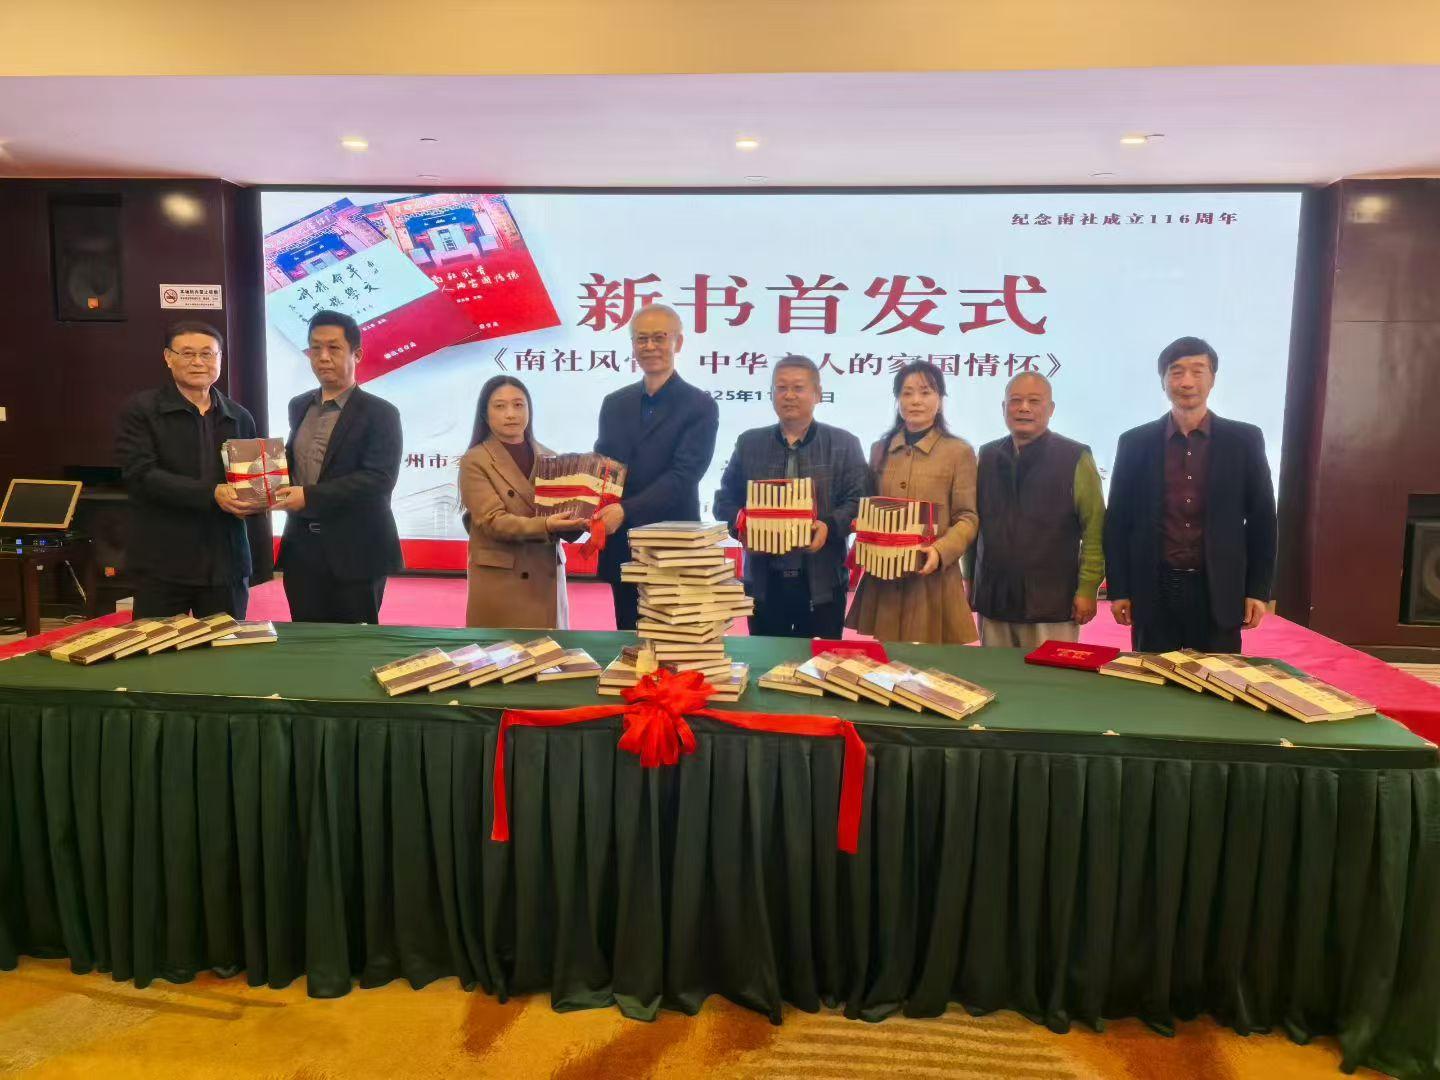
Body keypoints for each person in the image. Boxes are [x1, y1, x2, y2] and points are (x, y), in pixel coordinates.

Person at [1103, 336, 1277, 653]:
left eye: (1198, 371)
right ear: (1163, 381)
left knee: (1216, 679)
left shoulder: (1244, 440)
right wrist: (1120, 589)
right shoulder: (1135, 442)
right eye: (1176, 371)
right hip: (1153, 590)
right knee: (1152, 678)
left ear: (1212, 379)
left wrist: (1258, 590)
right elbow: (1117, 521)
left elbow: (1262, 520)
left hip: (1219, 589)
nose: (1186, 382)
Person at [713, 355, 870, 638]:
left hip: (822, 580)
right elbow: (724, 500)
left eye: (798, 387)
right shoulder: (749, 443)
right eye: (781, 387)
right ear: (772, 394)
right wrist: (742, 525)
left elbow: (858, 501)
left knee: (821, 660)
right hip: (764, 581)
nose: (789, 395)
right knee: (766, 658)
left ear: (818, 394)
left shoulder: (844, 444)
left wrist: (828, 526)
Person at [116, 321, 257, 618]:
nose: (198, 362)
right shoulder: (142, 410)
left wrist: (258, 497)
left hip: (226, 564)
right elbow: (140, 475)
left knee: (225, 646)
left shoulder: (239, 417)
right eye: (188, 353)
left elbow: (250, 479)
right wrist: (212, 493)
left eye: (207, 353)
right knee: (159, 647)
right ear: (168, 357)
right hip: (163, 563)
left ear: (220, 358)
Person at [272, 310, 404, 623]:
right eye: (315, 348)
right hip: (302, 550)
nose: (323, 357)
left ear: (356, 354)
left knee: (355, 642)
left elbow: (378, 480)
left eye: (333, 348)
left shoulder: (381, 413)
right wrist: (261, 480)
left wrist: (308, 496)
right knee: (306, 638)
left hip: (356, 551)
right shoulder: (299, 405)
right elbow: (297, 462)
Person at [593, 303, 719, 630]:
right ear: (633, 345)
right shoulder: (613, 403)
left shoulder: (700, 405)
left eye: (659, 338)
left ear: (678, 343)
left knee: (675, 639)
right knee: (628, 637)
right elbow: (604, 466)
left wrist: (626, 510)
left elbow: (685, 475)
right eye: (641, 339)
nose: (649, 346)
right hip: (622, 543)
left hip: (672, 543)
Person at [846, 360, 980, 644]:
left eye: (925, 392)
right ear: (898, 401)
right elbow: (869, 505)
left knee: (929, 664)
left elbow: (967, 517)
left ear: (940, 400)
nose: (915, 400)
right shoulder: (880, 449)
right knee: (886, 662)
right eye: (907, 393)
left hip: (932, 579)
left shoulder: (959, 452)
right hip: (885, 578)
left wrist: (940, 551)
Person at [973, 372, 1105, 648]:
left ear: (1051, 408)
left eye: (1034, 401)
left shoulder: (1075, 457)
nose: (1024, 408)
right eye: (1015, 401)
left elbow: (1095, 529)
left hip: (1052, 603)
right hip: (994, 598)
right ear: (1004, 407)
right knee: (994, 673)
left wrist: (1088, 587)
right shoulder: (986, 456)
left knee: (1050, 674)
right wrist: (968, 579)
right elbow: (973, 524)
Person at [458, 375, 585, 629]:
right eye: (500, 406)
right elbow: (493, 522)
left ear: (529, 409)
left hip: (546, 581)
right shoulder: (475, 460)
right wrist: (546, 525)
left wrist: (585, 516)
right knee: (503, 652)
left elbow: (566, 523)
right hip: (502, 581)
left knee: (549, 651)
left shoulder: (551, 458)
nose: (510, 414)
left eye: (518, 405)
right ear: (484, 414)